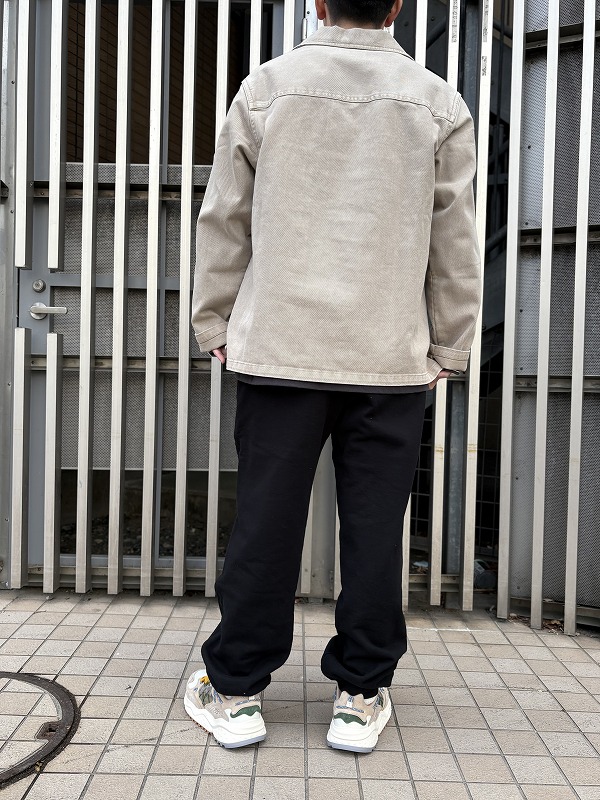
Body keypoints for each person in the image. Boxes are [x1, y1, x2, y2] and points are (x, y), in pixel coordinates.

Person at [184, 0, 481, 752]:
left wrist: (214, 320)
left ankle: (237, 691)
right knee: (377, 533)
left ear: (319, 3)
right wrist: (449, 345)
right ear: (397, 5)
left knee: (265, 525)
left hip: (281, 347)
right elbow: (455, 238)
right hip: (387, 357)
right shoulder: (438, 102)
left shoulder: (268, 87)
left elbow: (226, 216)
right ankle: (360, 693)